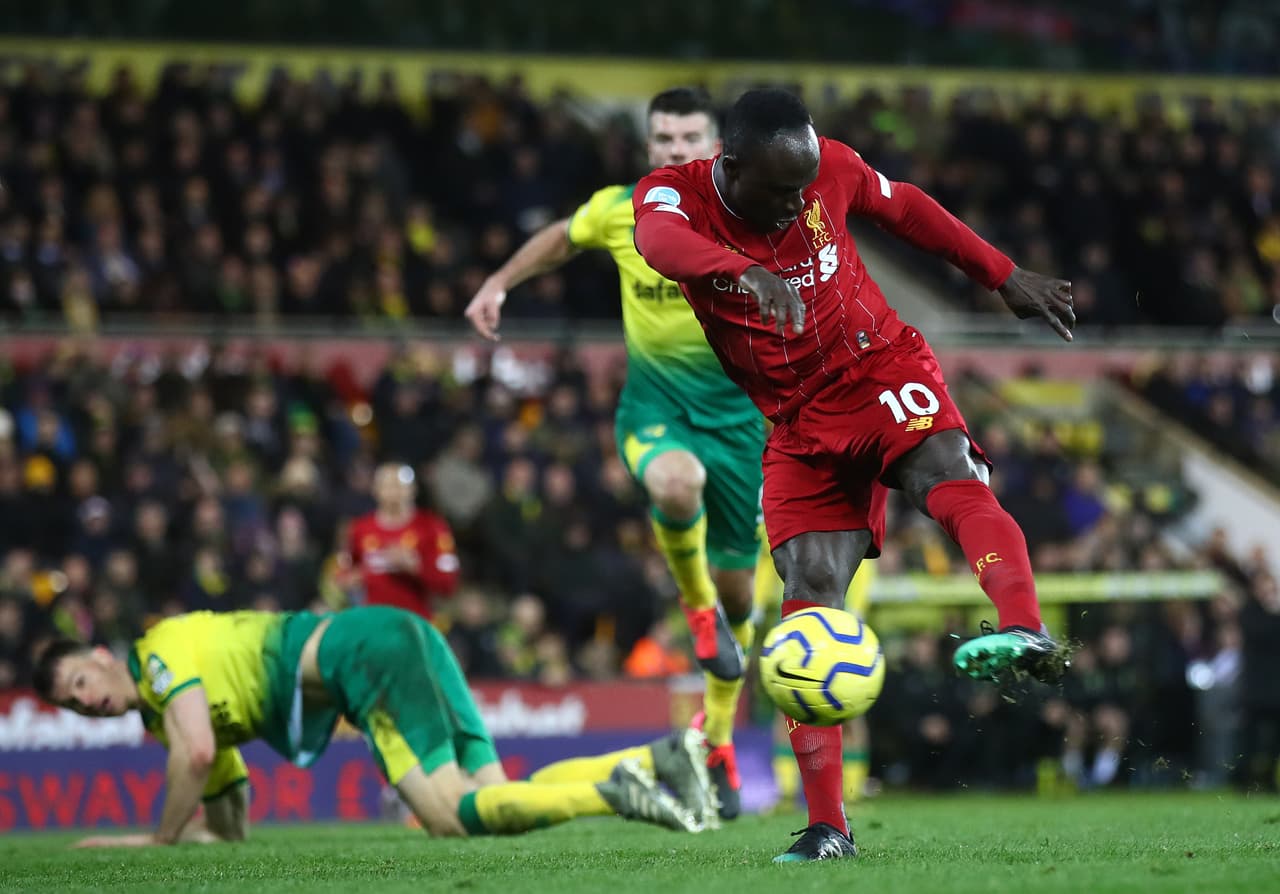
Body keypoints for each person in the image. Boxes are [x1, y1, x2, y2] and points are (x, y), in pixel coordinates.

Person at [632, 87, 1073, 862]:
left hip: (878, 365)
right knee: (807, 601)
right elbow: (660, 246)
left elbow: (908, 210)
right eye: (779, 190)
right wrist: (740, 271)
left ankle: (1022, 624)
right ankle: (829, 828)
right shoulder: (675, 194)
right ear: (731, 165)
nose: (799, 203)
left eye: (805, 186)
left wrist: (1003, 275)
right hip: (798, 426)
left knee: (950, 475)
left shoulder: (824, 166)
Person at [465, 87, 761, 818]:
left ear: (717, 144)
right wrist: (500, 282)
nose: (672, 148)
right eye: (661, 137)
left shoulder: (760, 216)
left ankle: (717, 743)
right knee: (673, 483)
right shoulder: (622, 208)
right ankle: (695, 615)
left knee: (743, 602)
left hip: (746, 428)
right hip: (658, 410)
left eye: (688, 135)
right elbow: (562, 238)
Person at [33, 605, 717, 847]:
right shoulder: (167, 711)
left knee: (450, 819)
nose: (84, 701)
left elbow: (197, 754)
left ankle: (620, 790)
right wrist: (205, 834)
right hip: (395, 634)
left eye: (79, 683)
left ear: (100, 658)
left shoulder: (155, 658)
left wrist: (157, 840)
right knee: (491, 792)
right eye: (70, 703)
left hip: (363, 654)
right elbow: (225, 799)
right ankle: (660, 761)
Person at [339, 463, 459, 620]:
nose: (394, 492)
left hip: (416, 625)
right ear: (376, 490)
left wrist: (415, 566)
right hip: (373, 624)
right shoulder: (360, 529)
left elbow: (448, 584)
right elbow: (343, 574)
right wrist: (356, 578)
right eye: (388, 485)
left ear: (413, 489)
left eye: (399, 485)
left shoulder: (433, 527)